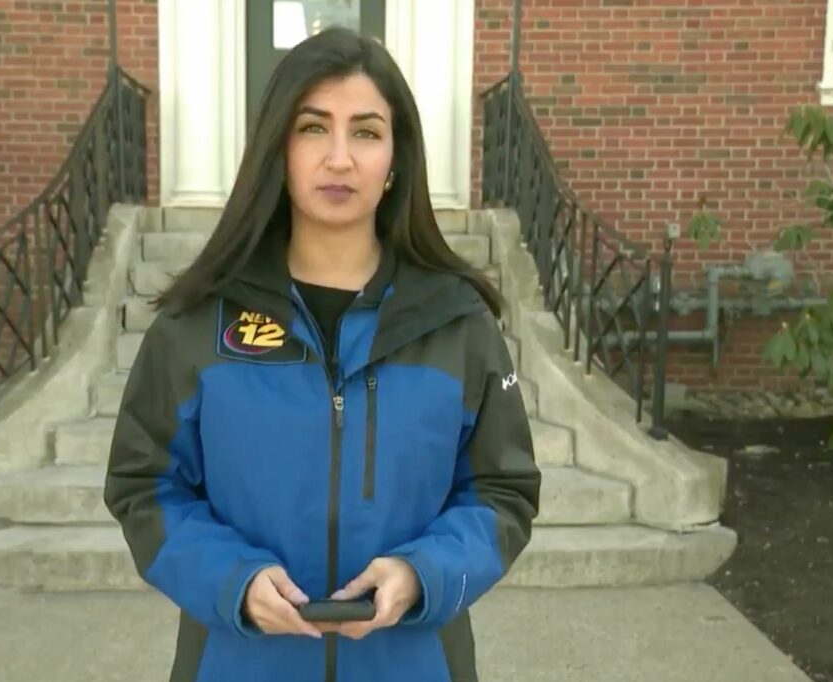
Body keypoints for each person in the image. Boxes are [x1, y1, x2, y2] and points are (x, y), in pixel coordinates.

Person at [103, 26, 541, 682]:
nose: (339, 158)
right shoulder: (197, 323)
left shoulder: (459, 323)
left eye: (365, 132)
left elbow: (503, 491)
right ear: (278, 149)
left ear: (395, 161)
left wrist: (423, 574)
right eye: (313, 128)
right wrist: (231, 579)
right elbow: (144, 486)